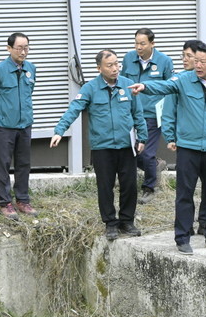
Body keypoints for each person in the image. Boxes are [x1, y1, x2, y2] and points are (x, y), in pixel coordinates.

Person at [130, 43, 206, 255]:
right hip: (188, 147)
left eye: (202, 62)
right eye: (195, 61)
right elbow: (164, 86)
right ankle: (182, 237)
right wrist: (145, 87)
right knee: (184, 194)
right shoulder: (183, 80)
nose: (197, 65)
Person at [51, 50, 147, 241]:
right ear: (99, 68)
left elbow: (138, 113)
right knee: (105, 186)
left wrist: (142, 138)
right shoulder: (90, 88)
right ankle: (110, 223)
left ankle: (127, 221)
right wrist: (60, 130)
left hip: (126, 145)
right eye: (109, 65)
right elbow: (74, 109)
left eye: (116, 64)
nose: (115, 68)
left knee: (129, 185)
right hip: (102, 147)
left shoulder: (128, 84)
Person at [0, 32, 37, 220]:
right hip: (5, 125)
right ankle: (5, 202)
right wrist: (1, 113)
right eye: (19, 48)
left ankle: (22, 199)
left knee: (23, 163)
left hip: (25, 124)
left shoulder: (31, 68)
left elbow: (29, 91)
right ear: (9, 48)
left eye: (26, 48)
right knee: (3, 164)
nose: (23, 52)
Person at [120, 28, 174, 205]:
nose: (138, 47)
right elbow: (122, 83)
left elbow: (171, 88)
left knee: (146, 153)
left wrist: (168, 114)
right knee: (131, 151)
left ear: (152, 43)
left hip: (152, 114)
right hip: (131, 113)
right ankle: (156, 165)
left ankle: (149, 187)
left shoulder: (165, 61)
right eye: (136, 43)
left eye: (142, 43)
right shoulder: (128, 58)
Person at [161, 40, 206, 236]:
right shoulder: (178, 80)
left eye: (189, 56)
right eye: (183, 56)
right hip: (186, 142)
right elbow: (168, 111)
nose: (184, 60)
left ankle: (205, 223)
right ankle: (185, 227)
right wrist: (170, 136)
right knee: (186, 188)